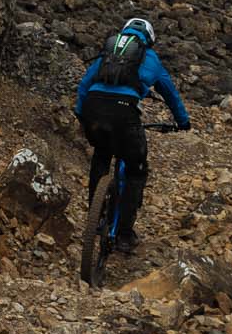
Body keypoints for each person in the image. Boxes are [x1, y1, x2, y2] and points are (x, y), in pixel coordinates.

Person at [74, 17, 190, 247]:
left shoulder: (107, 53)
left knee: (101, 156)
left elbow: (84, 84)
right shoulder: (151, 58)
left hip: (93, 109)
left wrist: (81, 114)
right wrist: (183, 121)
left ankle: (94, 218)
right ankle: (125, 234)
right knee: (136, 169)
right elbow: (170, 93)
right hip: (125, 114)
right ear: (149, 39)